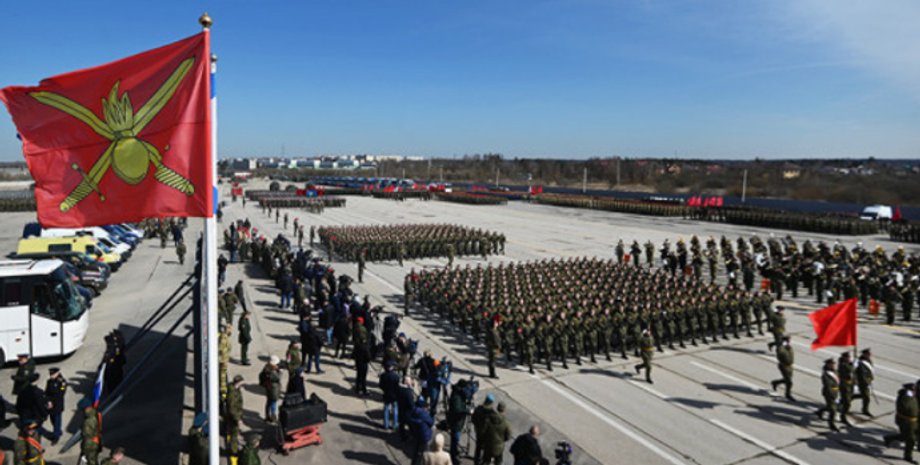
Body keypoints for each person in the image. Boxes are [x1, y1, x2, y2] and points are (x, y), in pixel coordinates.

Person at [883, 382, 918, 463]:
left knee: (906, 436)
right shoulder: (905, 397)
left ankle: (889, 438)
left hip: (913, 421)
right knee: (910, 439)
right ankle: (908, 456)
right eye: (914, 389)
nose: (915, 391)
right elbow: (905, 408)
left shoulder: (912, 397)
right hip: (906, 421)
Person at [446, 380, 470, 465]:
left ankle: (455, 451)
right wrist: (467, 411)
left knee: (455, 439)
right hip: (456, 422)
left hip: (457, 421)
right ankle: (453, 456)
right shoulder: (456, 397)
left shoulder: (458, 392)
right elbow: (457, 410)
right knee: (455, 439)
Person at [815, 358, 840, 432]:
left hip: (835, 391)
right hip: (829, 393)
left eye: (833, 364)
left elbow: (838, 378)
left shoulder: (834, 371)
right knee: (833, 410)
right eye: (831, 364)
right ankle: (831, 424)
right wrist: (833, 395)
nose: (833, 365)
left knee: (830, 406)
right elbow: (828, 386)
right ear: (828, 365)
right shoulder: (825, 375)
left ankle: (820, 411)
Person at [472, 394, 497, 465]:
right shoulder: (492, 413)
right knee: (486, 450)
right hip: (487, 436)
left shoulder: (479, 409)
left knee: (478, 448)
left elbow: (473, 419)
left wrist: (477, 427)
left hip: (479, 432)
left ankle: (476, 461)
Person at [44, 368, 67, 444]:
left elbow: (61, 393)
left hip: (57, 404)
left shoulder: (62, 382)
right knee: (52, 420)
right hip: (50, 404)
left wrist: (52, 401)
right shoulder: (49, 381)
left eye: (53, 374)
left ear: (57, 373)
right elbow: (46, 392)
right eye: (50, 374)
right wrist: (48, 401)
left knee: (57, 420)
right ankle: (58, 431)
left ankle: (55, 436)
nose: (51, 376)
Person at [409, 398, 434, 465]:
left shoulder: (413, 412)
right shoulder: (423, 414)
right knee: (426, 454)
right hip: (425, 436)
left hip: (416, 435)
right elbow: (431, 422)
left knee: (416, 453)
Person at [770, 336, 796, 402]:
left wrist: (788, 348)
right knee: (789, 382)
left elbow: (791, 354)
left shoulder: (788, 346)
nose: (790, 341)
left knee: (787, 380)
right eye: (788, 340)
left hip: (790, 366)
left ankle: (775, 382)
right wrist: (784, 347)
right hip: (784, 366)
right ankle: (788, 394)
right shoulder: (780, 347)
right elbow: (780, 353)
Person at [225, 375, 244, 459]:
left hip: (233, 416)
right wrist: (238, 419)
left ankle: (233, 448)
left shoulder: (233, 389)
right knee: (234, 434)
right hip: (233, 417)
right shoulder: (233, 394)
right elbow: (232, 408)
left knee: (233, 433)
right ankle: (233, 451)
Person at [80, 397, 103, 465]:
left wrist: (84, 450)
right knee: (95, 460)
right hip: (97, 442)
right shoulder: (96, 414)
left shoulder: (88, 421)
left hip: (91, 446)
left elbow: (87, 437)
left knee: (91, 462)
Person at [379, 361, 401, 431]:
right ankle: (395, 425)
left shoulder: (383, 375)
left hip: (386, 394)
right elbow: (397, 386)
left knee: (386, 409)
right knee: (395, 409)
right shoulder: (396, 376)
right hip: (394, 395)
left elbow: (380, 385)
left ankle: (386, 425)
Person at [260, 356, 282, 423]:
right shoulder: (272, 371)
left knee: (268, 403)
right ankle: (273, 417)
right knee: (273, 403)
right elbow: (277, 378)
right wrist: (280, 372)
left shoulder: (266, 368)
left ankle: (267, 416)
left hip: (269, 388)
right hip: (273, 389)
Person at [353, 316, 371, 396]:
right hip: (363, 362)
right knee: (363, 377)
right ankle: (363, 389)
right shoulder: (364, 347)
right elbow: (368, 356)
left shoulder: (357, 346)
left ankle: (357, 388)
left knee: (358, 376)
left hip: (358, 360)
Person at [855, 348, 875, 417]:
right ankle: (865, 410)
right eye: (868, 354)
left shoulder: (868, 360)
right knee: (867, 397)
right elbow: (862, 375)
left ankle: (851, 397)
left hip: (867, 381)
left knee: (865, 396)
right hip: (863, 383)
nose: (870, 354)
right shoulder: (861, 363)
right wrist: (867, 382)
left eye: (869, 353)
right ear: (864, 354)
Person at [397, 377, 417, 442]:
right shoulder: (408, 392)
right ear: (406, 382)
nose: (411, 382)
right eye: (410, 381)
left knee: (401, 424)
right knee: (410, 425)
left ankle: (402, 436)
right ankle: (411, 436)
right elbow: (411, 404)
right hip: (407, 412)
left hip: (401, 409)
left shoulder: (399, 389)